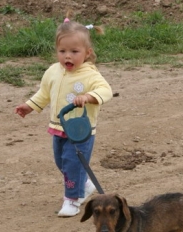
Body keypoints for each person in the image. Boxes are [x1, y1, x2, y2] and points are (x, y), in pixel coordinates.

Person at [15, 16, 113, 217]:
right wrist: (29, 106)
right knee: (61, 162)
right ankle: (83, 184)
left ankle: (73, 200)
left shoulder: (90, 74)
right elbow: (44, 93)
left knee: (71, 163)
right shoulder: (53, 71)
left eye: (74, 52)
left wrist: (88, 96)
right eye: (63, 51)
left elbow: (106, 90)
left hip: (80, 131)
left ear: (87, 53)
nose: (68, 56)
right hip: (59, 128)